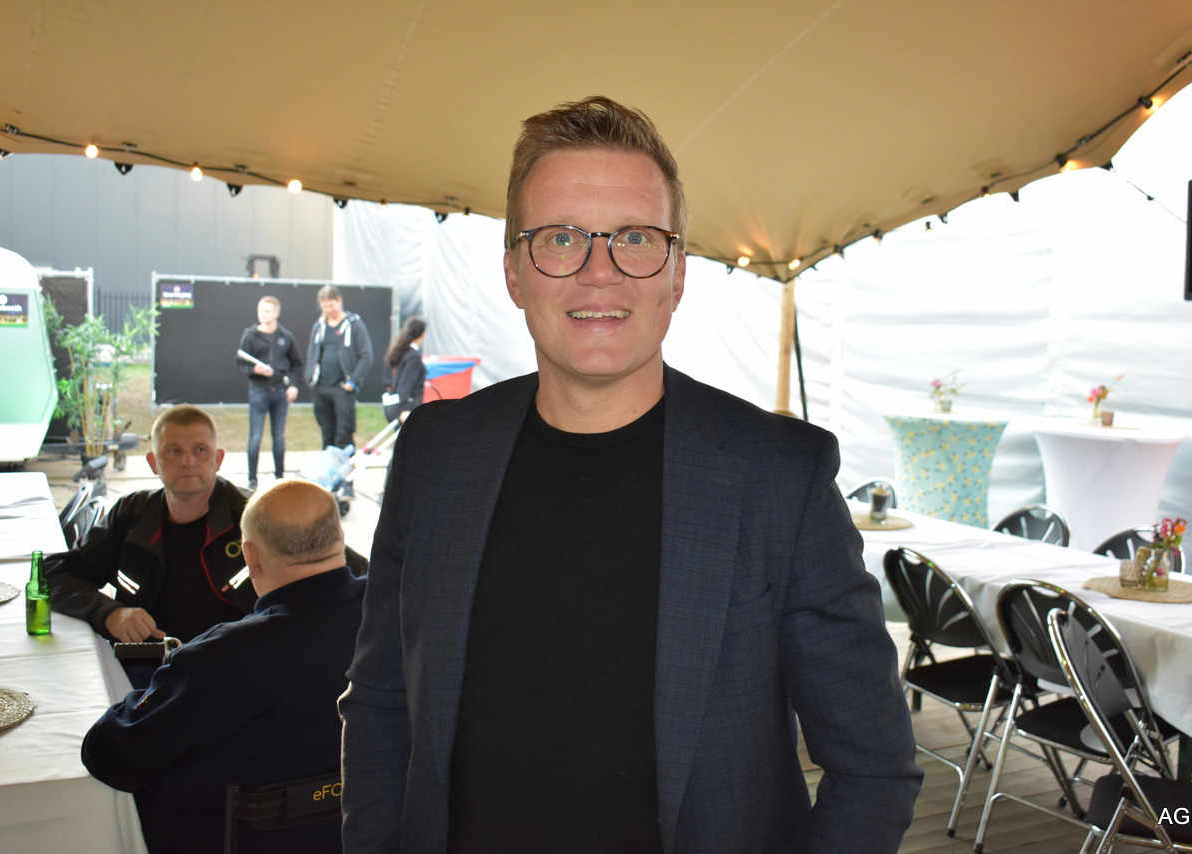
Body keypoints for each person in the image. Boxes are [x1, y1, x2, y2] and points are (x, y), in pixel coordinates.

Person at [339, 96, 922, 852]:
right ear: (514, 272)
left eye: (635, 239)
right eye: (560, 239)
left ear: (676, 275)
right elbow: (380, 703)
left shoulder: (779, 478)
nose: (599, 273)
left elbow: (874, 768)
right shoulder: (436, 454)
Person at [81, 480, 365, 854]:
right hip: (368, 835)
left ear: (250, 556)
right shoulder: (400, 618)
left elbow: (111, 755)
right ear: (340, 538)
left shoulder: (223, 656)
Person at [44, 404, 254, 679]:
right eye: (174, 451)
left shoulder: (255, 519)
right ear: (153, 462)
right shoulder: (132, 514)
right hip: (146, 668)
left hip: (232, 669)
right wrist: (108, 613)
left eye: (200, 450)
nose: (187, 461)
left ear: (218, 459)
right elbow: (54, 574)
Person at [305, 285, 373, 497]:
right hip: (321, 388)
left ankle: (347, 483)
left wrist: (353, 381)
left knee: (344, 436)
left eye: (332, 305)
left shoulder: (354, 324)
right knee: (328, 435)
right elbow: (312, 353)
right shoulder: (319, 326)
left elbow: (366, 355)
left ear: (339, 301)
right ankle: (329, 482)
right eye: (325, 306)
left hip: (343, 389)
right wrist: (311, 378)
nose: (329, 310)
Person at [236, 295, 303, 490]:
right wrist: (254, 370)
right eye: (260, 311)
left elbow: (297, 364)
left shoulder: (286, 337)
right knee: (255, 437)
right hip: (259, 392)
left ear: (276, 313)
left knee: (279, 436)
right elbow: (240, 365)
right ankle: (252, 480)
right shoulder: (250, 336)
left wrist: (293, 386)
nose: (262, 314)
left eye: (266, 311)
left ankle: (279, 478)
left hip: (280, 393)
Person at [381, 315, 427, 423]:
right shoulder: (413, 356)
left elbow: (392, 379)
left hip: (392, 403)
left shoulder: (400, 352)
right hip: (404, 408)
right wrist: (405, 409)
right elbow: (405, 384)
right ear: (421, 335)